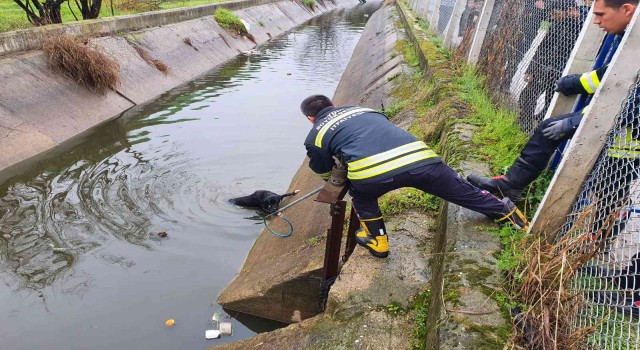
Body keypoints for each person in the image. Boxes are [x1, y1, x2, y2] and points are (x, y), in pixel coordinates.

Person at [300, 95, 529, 258]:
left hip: (372, 176)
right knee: (460, 190)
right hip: (420, 160)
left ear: (311, 118)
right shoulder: (364, 110)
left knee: (361, 196)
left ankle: (378, 242)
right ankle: (509, 214)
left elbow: (322, 169)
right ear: (333, 105)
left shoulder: (315, 136)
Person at [467, 0, 639, 201]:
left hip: (629, 134)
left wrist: (574, 122)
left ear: (627, 10)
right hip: (614, 119)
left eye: (601, 15)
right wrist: (573, 83)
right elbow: (612, 76)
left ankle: (602, 232)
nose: (595, 21)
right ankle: (509, 186)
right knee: (549, 128)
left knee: (610, 193)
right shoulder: (627, 38)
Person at [518, 0, 584, 132]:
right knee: (527, 95)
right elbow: (541, 48)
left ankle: (541, 125)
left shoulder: (582, 26)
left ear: (569, 10)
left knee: (551, 101)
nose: (552, 17)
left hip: (562, 72)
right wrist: (530, 70)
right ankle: (525, 123)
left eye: (555, 13)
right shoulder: (557, 25)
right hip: (545, 68)